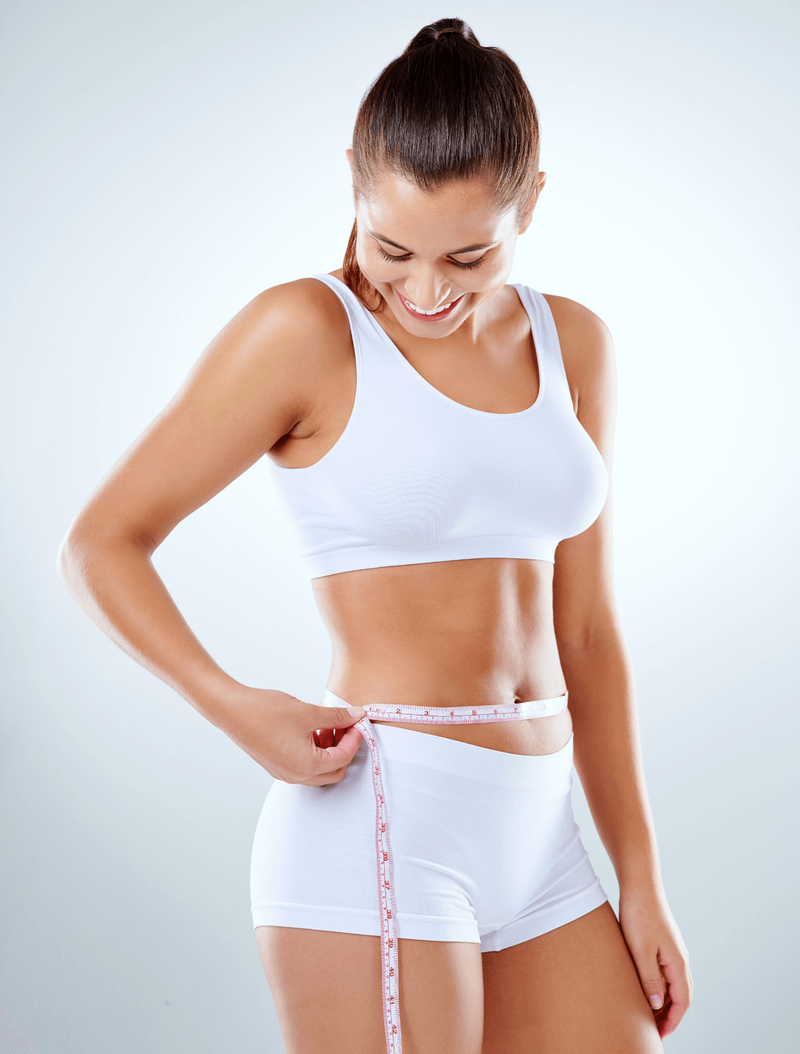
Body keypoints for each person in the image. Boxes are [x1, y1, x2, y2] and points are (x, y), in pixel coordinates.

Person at [57, 16, 693, 1054]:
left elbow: (585, 634)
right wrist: (231, 706)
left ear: (530, 201)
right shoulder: (304, 332)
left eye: (469, 254)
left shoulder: (572, 340)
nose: (427, 289)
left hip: (544, 834)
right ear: (354, 182)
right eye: (390, 246)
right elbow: (101, 541)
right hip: (386, 813)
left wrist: (641, 876)